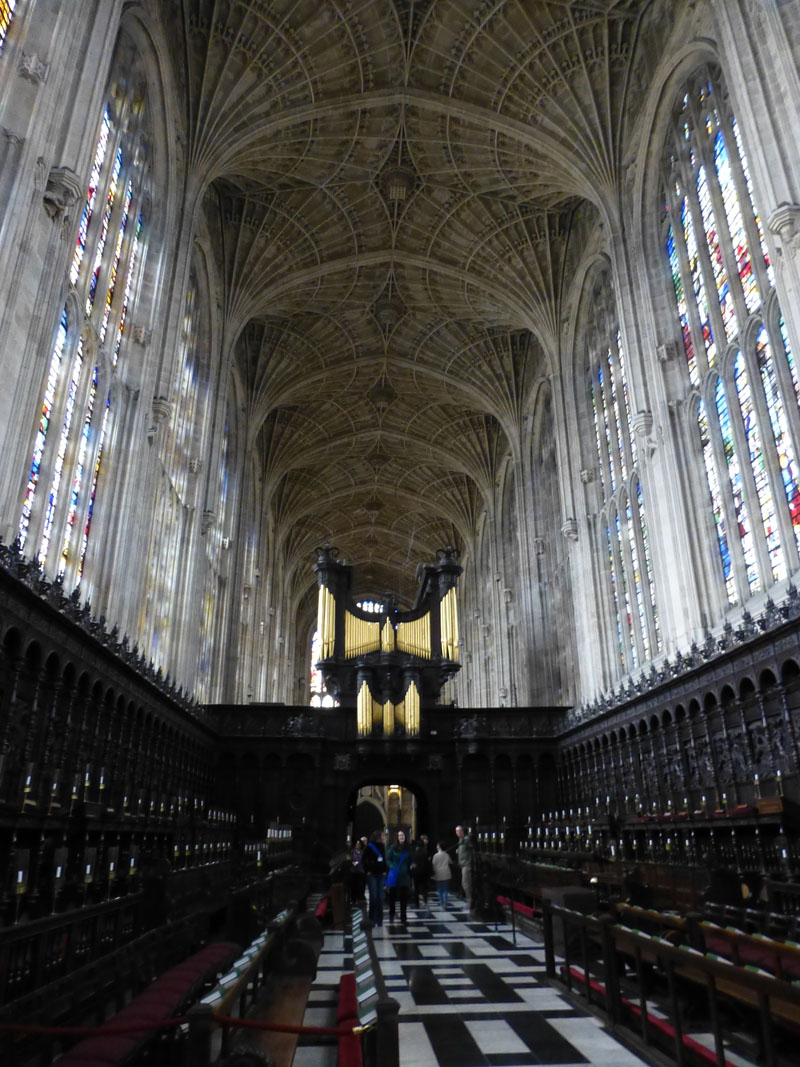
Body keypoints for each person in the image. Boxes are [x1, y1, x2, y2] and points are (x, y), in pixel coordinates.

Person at [385, 828, 412, 924]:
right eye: (400, 835)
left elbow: (411, 859)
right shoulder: (392, 847)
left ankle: (403, 917)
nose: (402, 837)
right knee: (392, 896)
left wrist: (412, 864)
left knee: (404, 898)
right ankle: (392, 913)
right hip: (395, 875)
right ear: (397, 837)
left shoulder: (408, 848)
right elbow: (388, 859)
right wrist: (392, 866)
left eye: (403, 835)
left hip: (404, 876)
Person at [362, 829, 387, 927]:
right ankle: (372, 918)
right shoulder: (369, 847)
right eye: (382, 836)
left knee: (380, 897)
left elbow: (383, 858)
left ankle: (380, 919)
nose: (383, 838)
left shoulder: (382, 846)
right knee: (373, 897)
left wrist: (385, 870)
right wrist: (367, 870)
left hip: (381, 873)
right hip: (372, 874)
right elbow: (364, 860)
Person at [455, 824, 473, 909]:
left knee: (466, 884)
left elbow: (468, 843)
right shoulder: (460, 841)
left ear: (462, 831)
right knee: (464, 884)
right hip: (462, 865)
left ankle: (470, 900)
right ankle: (468, 899)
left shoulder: (465, 840)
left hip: (466, 865)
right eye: (456, 831)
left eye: (459, 831)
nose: (457, 833)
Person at [411, 834, 431, 906]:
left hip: (416, 872)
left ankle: (417, 903)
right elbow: (428, 862)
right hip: (424, 872)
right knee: (424, 887)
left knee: (416, 888)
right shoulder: (425, 852)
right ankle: (425, 900)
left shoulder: (414, 852)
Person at [432, 842, 453, 907]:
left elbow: (433, 864)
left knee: (439, 890)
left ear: (439, 847)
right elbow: (451, 862)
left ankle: (441, 903)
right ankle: (445, 902)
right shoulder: (446, 855)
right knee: (445, 889)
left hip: (438, 873)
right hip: (446, 873)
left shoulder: (435, 855)